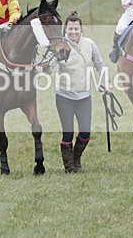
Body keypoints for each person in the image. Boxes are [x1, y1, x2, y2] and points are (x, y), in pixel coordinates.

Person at [46, 11, 109, 173]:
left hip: (84, 96)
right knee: (68, 133)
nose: (73, 32)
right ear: (65, 31)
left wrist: (105, 82)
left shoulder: (90, 44)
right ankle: (70, 168)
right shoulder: (60, 46)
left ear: (81, 30)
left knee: (85, 133)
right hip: (64, 96)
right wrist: (46, 65)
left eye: (76, 29)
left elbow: (99, 64)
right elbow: (49, 68)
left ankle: (76, 158)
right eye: (70, 30)